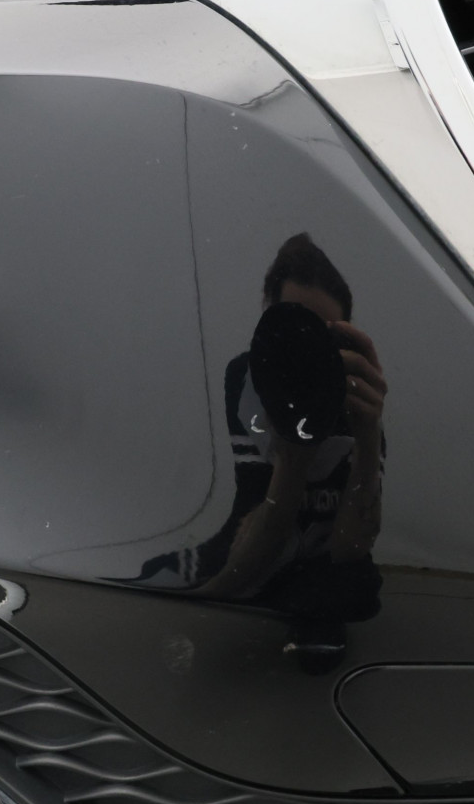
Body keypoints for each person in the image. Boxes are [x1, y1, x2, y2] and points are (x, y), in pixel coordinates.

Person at [133, 234, 387, 668]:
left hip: (319, 560)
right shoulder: (250, 378)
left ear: (347, 340)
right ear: (268, 322)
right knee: (157, 579)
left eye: (323, 337)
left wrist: (368, 434)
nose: (307, 351)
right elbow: (251, 527)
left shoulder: (356, 393)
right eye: (294, 329)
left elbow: (350, 549)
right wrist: (295, 453)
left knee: (349, 587)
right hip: (257, 535)